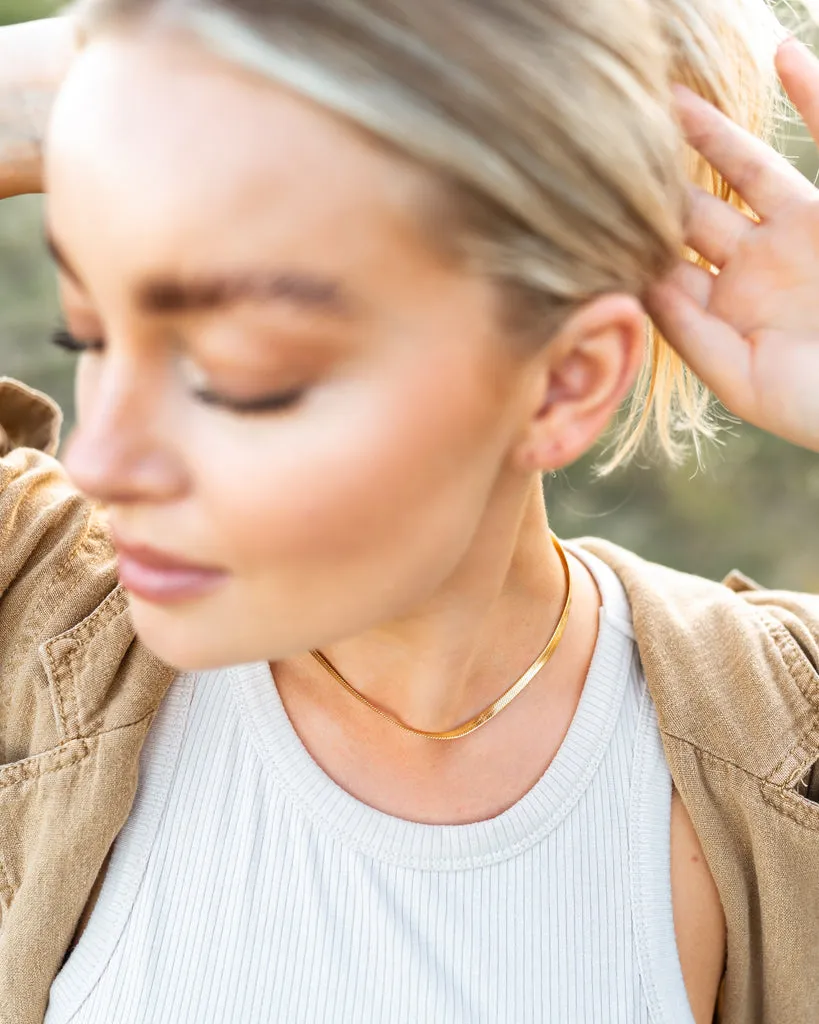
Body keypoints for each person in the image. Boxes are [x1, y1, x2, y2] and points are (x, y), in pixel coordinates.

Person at [0, 2, 818, 1022]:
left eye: (236, 373)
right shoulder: (32, 615)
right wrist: (123, 55)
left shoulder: (789, 743)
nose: (99, 457)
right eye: (92, 342)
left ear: (564, 383)